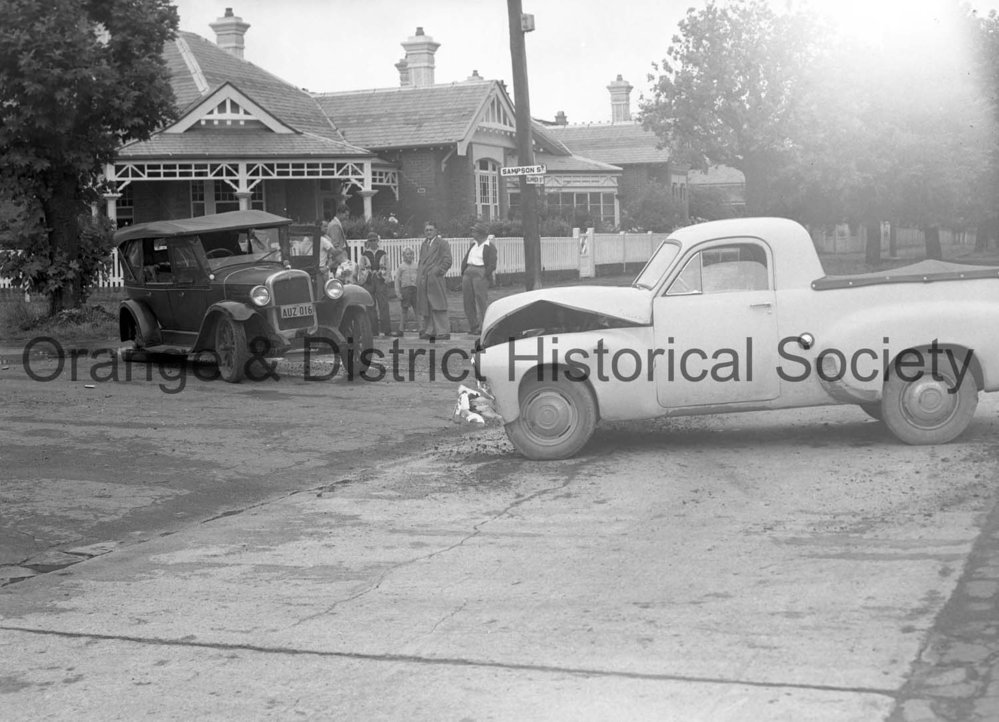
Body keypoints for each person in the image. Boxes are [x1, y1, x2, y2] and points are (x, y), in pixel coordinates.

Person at [416, 220, 452, 341]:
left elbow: (448, 260)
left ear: (436, 231)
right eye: (426, 230)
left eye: (431, 230)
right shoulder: (424, 244)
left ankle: (443, 331)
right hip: (424, 280)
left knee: (438, 304)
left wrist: (437, 271)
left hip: (435, 279)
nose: (429, 232)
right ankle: (429, 330)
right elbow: (421, 261)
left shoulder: (442, 243)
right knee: (426, 305)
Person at [460, 223, 497, 337]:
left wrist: (485, 274)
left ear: (480, 234)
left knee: (481, 299)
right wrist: (464, 270)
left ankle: (484, 327)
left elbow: (492, 264)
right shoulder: (473, 245)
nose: (472, 234)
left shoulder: (489, 247)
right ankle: (473, 326)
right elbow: (467, 258)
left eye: (474, 231)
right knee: (467, 300)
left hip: (480, 272)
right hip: (468, 272)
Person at [360, 232, 391, 336]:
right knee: (370, 305)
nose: (373, 242)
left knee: (383, 304)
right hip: (369, 280)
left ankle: (386, 329)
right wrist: (367, 274)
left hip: (380, 279)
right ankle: (373, 330)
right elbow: (361, 268)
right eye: (371, 241)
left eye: (374, 240)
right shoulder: (364, 255)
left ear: (377, 241)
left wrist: (381, 273)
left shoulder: (383, 253)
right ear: (368, 242)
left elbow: (387, 266)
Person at [392, 246, 419, 336]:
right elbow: (397, 280)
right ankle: (401, 329)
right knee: (404, 310)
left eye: (411, 254)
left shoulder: (416, 266)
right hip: (405, 290)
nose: (409, 256)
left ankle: (422, 328)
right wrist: (398, 293)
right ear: (403, 256)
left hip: (415, 290)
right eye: (407, 254)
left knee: (417, 310)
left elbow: (420, 279)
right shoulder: (401, 267)